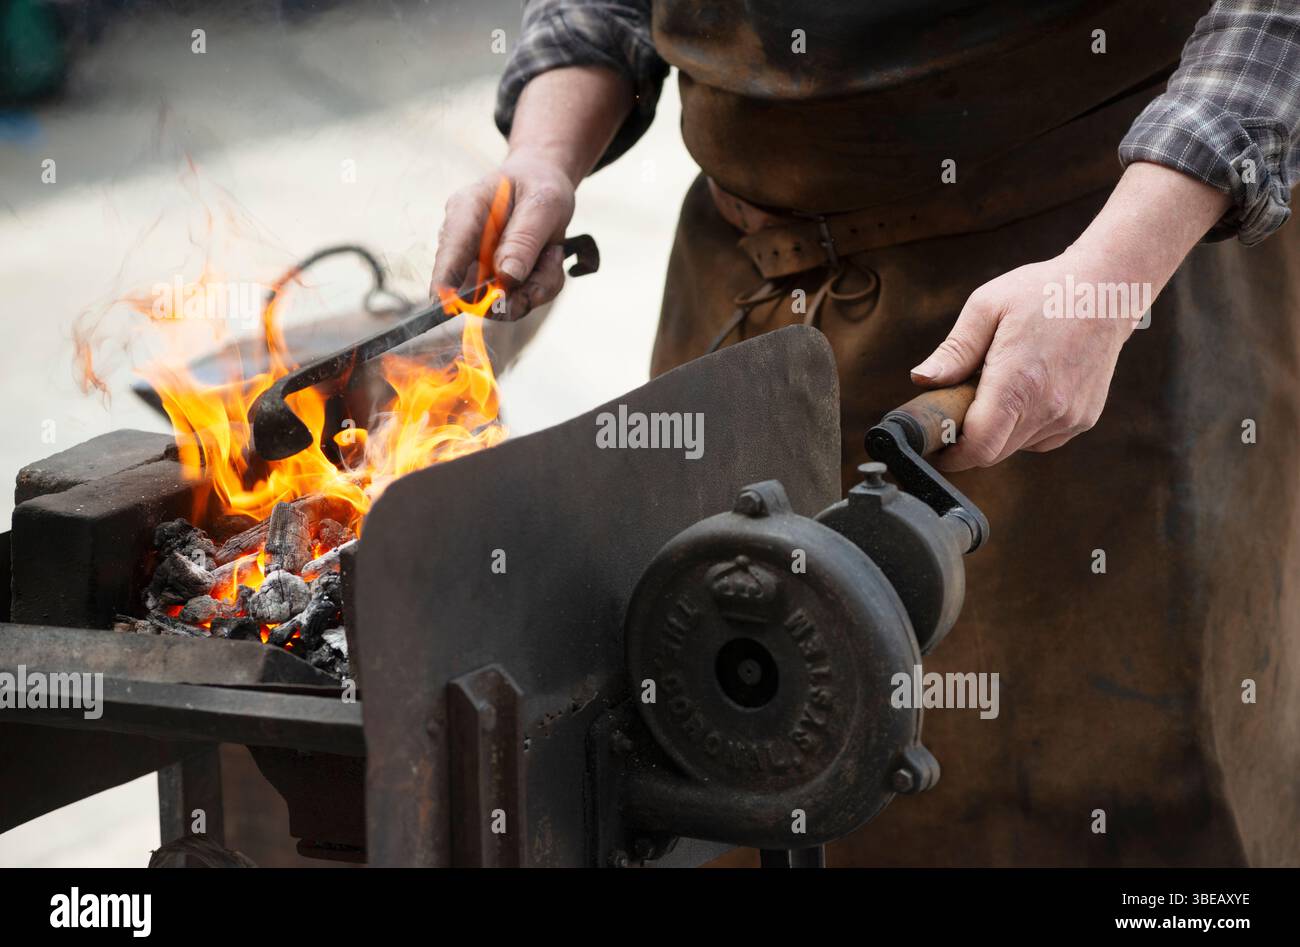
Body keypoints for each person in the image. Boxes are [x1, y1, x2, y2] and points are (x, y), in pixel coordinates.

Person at [432, 0, 1300, 865]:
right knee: (723, 742)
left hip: (1079, 284)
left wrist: (1112, 275)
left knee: (1100, 788)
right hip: (753, 303)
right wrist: (542, 155)